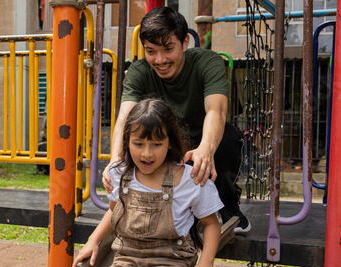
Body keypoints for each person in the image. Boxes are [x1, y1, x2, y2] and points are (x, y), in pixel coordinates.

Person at [72, 99, 222, 267]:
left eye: (156, 144)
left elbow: (211, 224)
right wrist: (93, 240)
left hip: (170, 262)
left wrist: (206, 261)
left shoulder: (189, 180)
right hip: (127, 259)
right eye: (138, 143)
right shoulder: (120, 173)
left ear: (170, 142)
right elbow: (114, 212)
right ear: (127, 142)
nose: (147, 153)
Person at [103, 6, 250, 233]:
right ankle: (158, 208)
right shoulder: (139, 71)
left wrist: (205, 149)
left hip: (202, 139)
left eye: (168, 49)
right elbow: (125, 117)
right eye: (151, 51)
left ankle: (228, 206)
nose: (160, 60)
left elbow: (216, 110)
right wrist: (115, 158)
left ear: (184, 44)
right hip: (167, 144)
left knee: (229, 137)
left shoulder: (207, 62)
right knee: (143, 145)